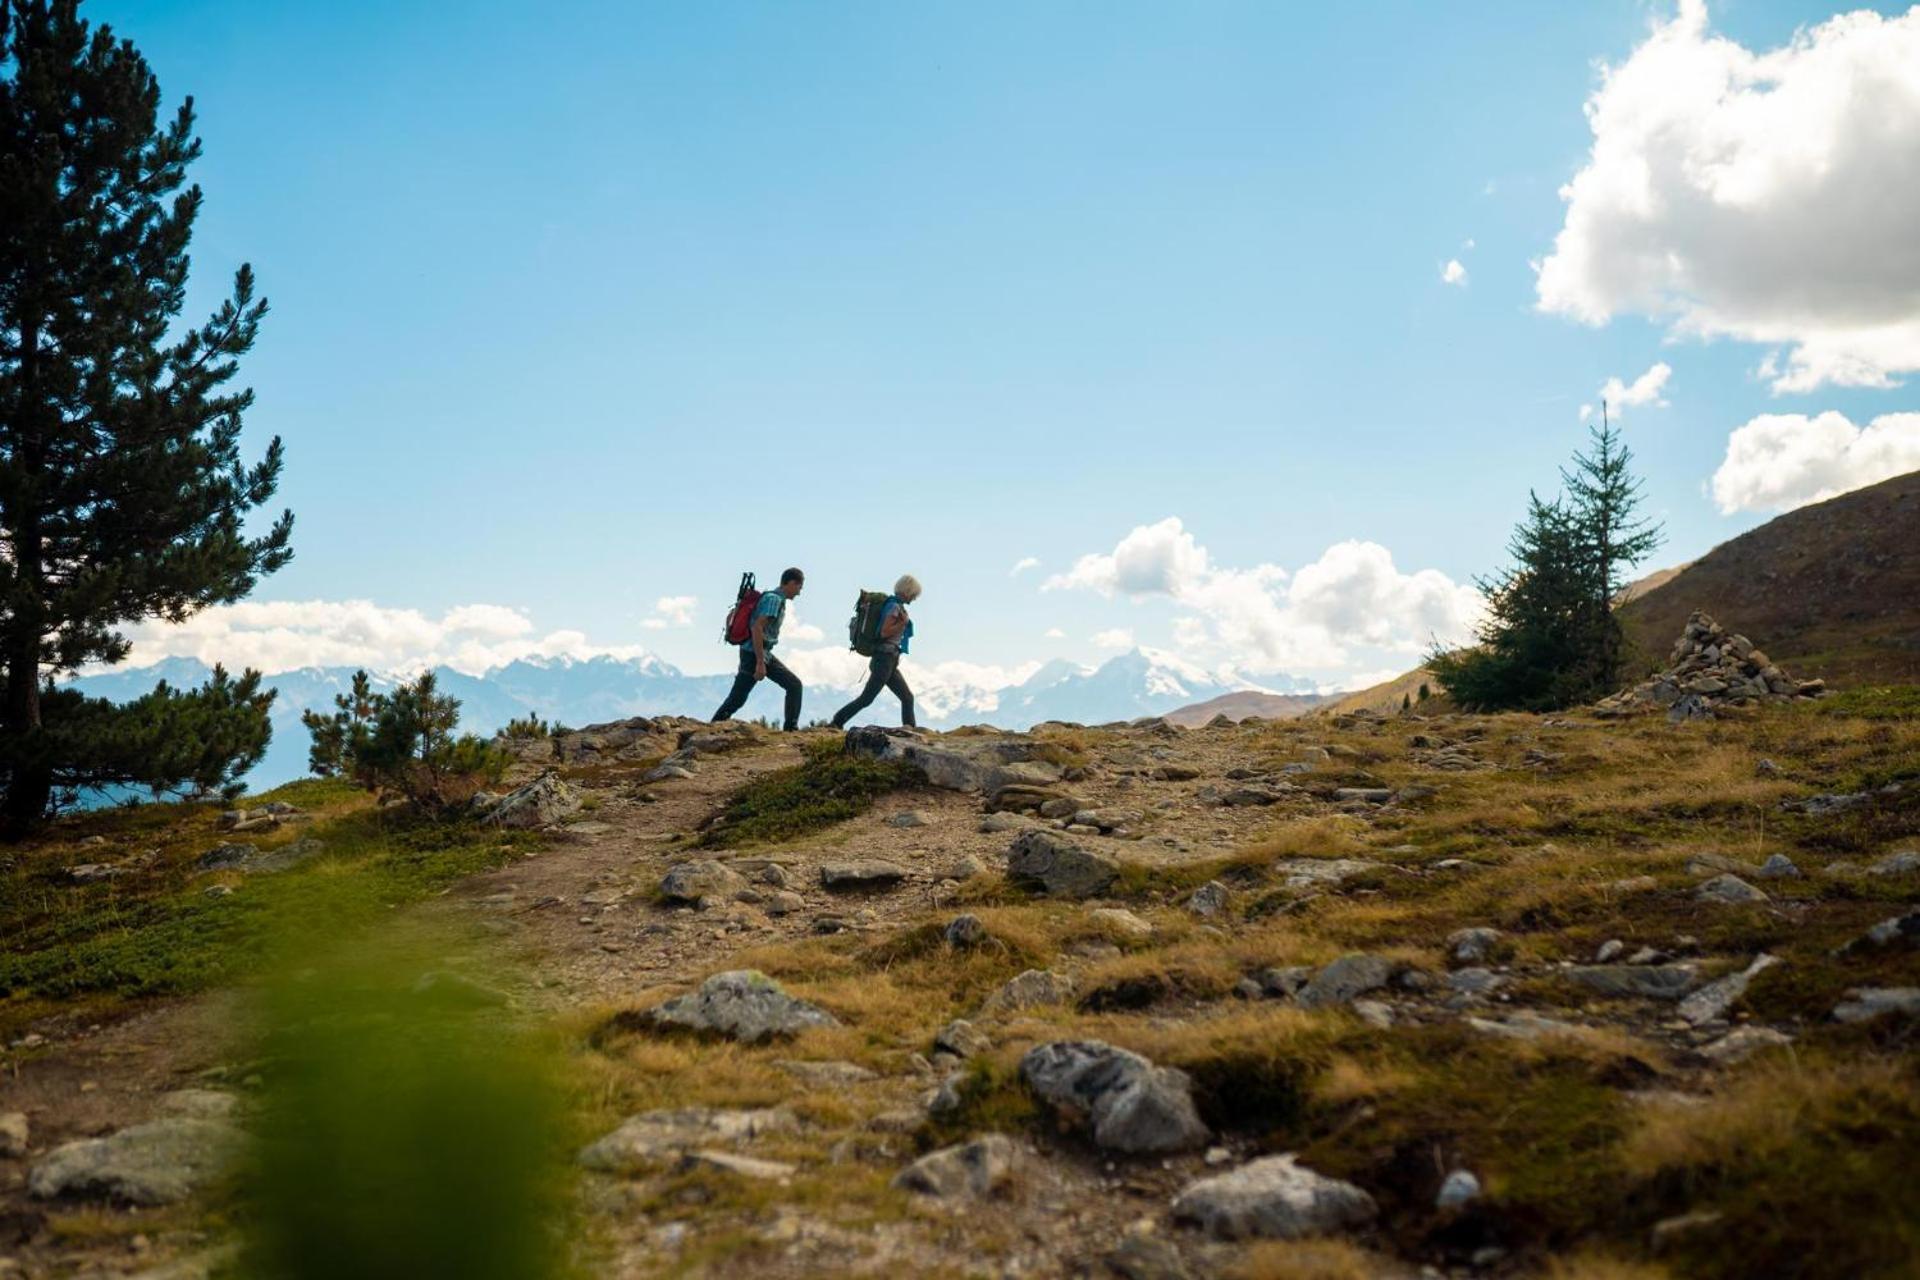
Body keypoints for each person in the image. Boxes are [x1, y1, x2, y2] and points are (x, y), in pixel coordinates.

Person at [712, 567, 806, 730]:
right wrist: (760, 663)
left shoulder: (772, 597)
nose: (799, 593)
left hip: (757, 652)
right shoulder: (774, 600)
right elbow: (757, 628)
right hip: (755, 653)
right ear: (791, 583)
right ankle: (711, 728)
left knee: (792, 685)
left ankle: (791, 729)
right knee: (737, 698)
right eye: (799, 587)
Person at [831, 575, 919, 729]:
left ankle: (910, 729)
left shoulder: (895, 605)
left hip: (889, 661)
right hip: (883, 660)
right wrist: (902, 623)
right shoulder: (894, 607)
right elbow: (884, 632)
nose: (915, 598)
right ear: (908, 591)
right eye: (914, 594)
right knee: (867, 698)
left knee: (907, 697)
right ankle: (837, 721)